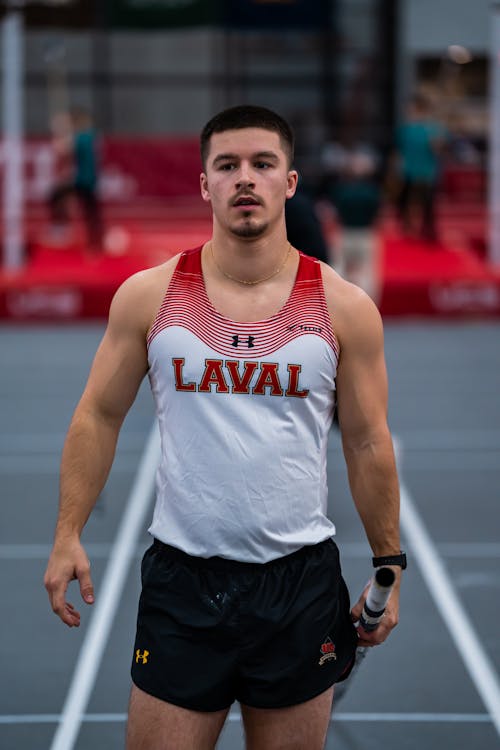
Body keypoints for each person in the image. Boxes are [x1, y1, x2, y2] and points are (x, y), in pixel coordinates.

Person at [44, 105, 404, 750]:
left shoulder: (344, 309)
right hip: (184, 584)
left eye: (263, 164)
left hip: (297, 585)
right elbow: (98, 413)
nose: (246, 179)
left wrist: (388, 565)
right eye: (228, 165)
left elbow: (367, 441)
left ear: (289, 183)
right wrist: (68, 531)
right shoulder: (149, 296)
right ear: (204, 183)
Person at [47, 106, 103, 251]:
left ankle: (60, 230)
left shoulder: (82, 137)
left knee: (56, 196)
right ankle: (96, 243)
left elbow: (62, 149)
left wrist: (58, 130)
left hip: (82, 180)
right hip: (90, 180)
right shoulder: (91, 136)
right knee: (91, 212)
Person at [330, 150, 382, 304]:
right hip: (365, 234)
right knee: (367, 274)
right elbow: (378, 214)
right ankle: (369, 306)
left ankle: (338, 305)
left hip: (345, 233)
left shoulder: (341, 190)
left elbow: (335, 213)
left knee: (339, 272)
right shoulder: (373, 191)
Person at [394, 93, 447, 243]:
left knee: (428, 204)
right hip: (408, 170)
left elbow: (441, 150)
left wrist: (437, 144)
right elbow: (398, 151)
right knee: (403, 201)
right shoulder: (405, 129)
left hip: (427, 171)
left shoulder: (435, 129)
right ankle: (407, 228)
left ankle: (428, 232)